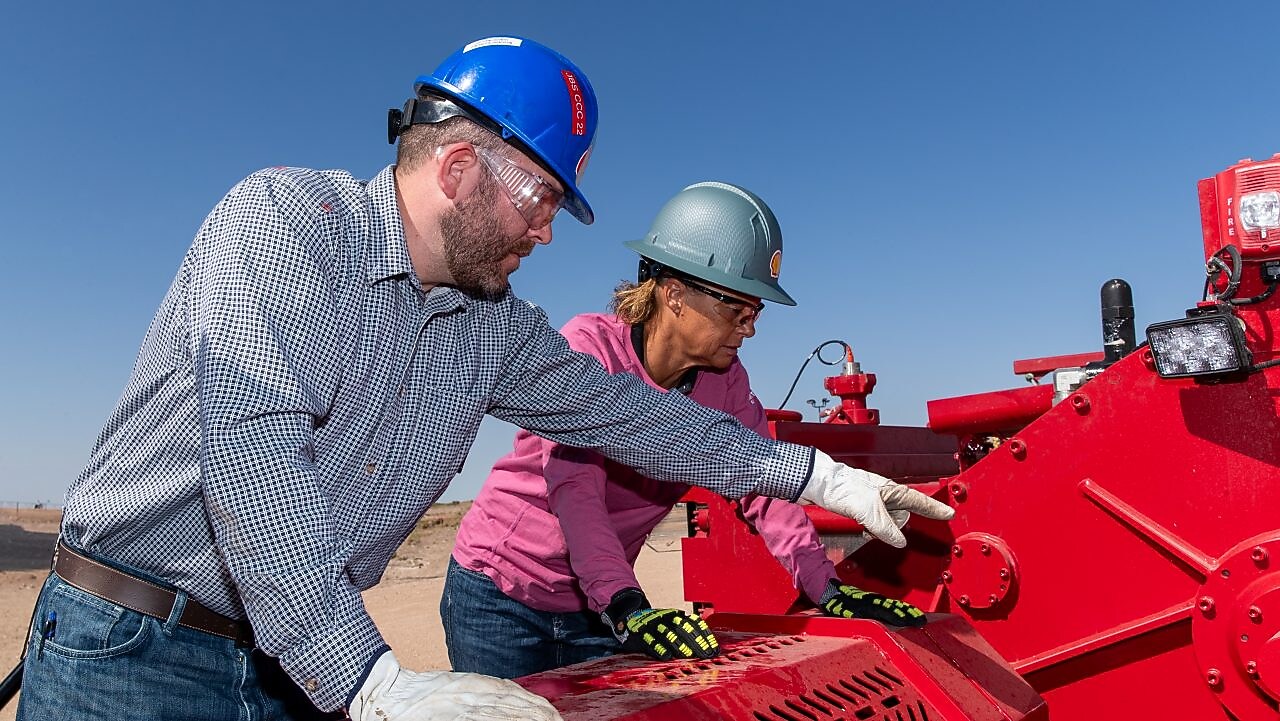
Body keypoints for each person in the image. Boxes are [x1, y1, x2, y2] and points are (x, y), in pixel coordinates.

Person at [16, 36, 953, 721]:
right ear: (460, 166)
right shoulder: (285, 225)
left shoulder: (493, 330)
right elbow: (255, 455)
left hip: (289, 666)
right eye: (542, 199)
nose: (546, 233)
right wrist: (367, 679)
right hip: (132, 652)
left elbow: (635, 418)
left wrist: (817, 478)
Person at [442, 182, 930, 677]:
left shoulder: (727, 383)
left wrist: (824, 585)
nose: (750, 328)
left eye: (755, 313)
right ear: (674, 293)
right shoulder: (589, 350)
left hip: (599, 607)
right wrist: (626, 605)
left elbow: (764, 487)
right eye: (736, 310)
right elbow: (577, 491)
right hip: (502, 596)